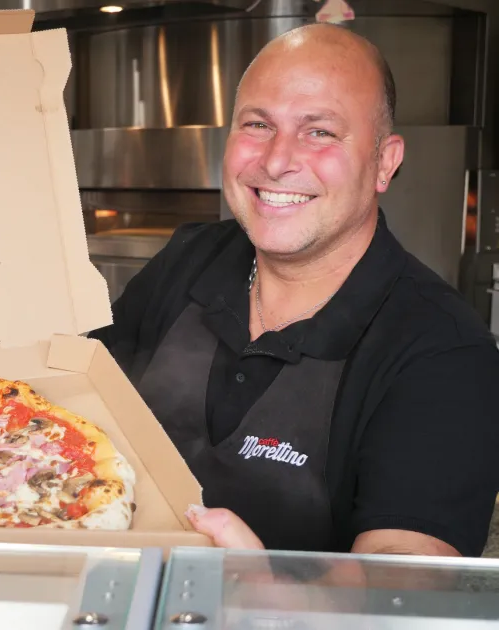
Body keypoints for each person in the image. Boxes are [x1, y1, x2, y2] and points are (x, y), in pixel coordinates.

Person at [89, 23, 499, 557]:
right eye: (258, 124)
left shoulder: (443, 351)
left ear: (385, 161)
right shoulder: (191, 257)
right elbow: (77, 401)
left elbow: (403, 578)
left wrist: (263, 588)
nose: (277, 160)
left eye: (319, 132)